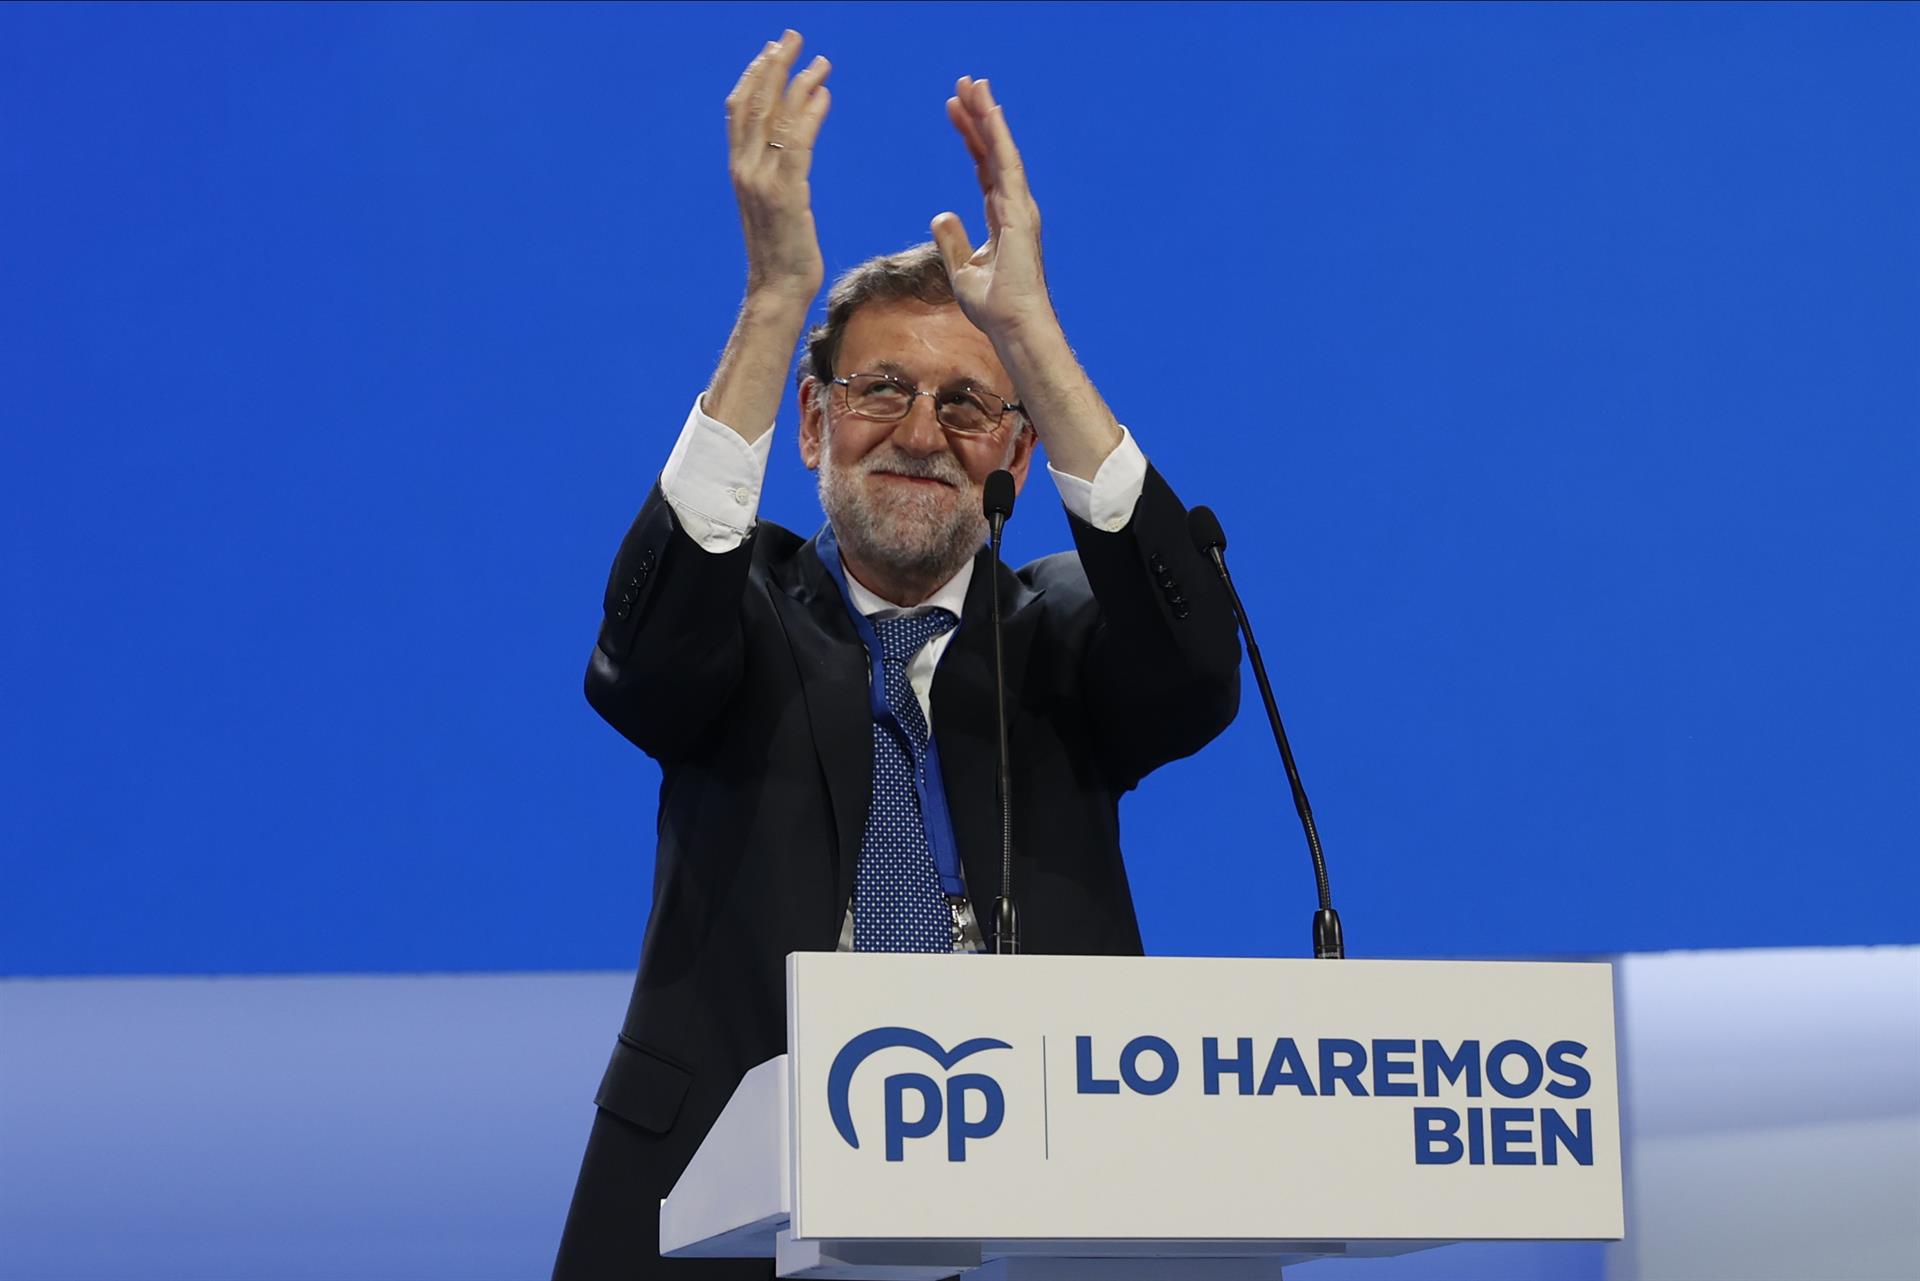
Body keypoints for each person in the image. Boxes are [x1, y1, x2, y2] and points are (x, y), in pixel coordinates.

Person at [553, 30, 1241, 1281]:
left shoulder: (1066, 635)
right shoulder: (741, 608)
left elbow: (1195, 670)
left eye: (969, 406)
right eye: (880, 392)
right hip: (722, 1211)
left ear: (1015, 460)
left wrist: (1030, 337)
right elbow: (644, 664)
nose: (921, 433)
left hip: (1055, 1215)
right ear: (813, 423)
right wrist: (775, 303)